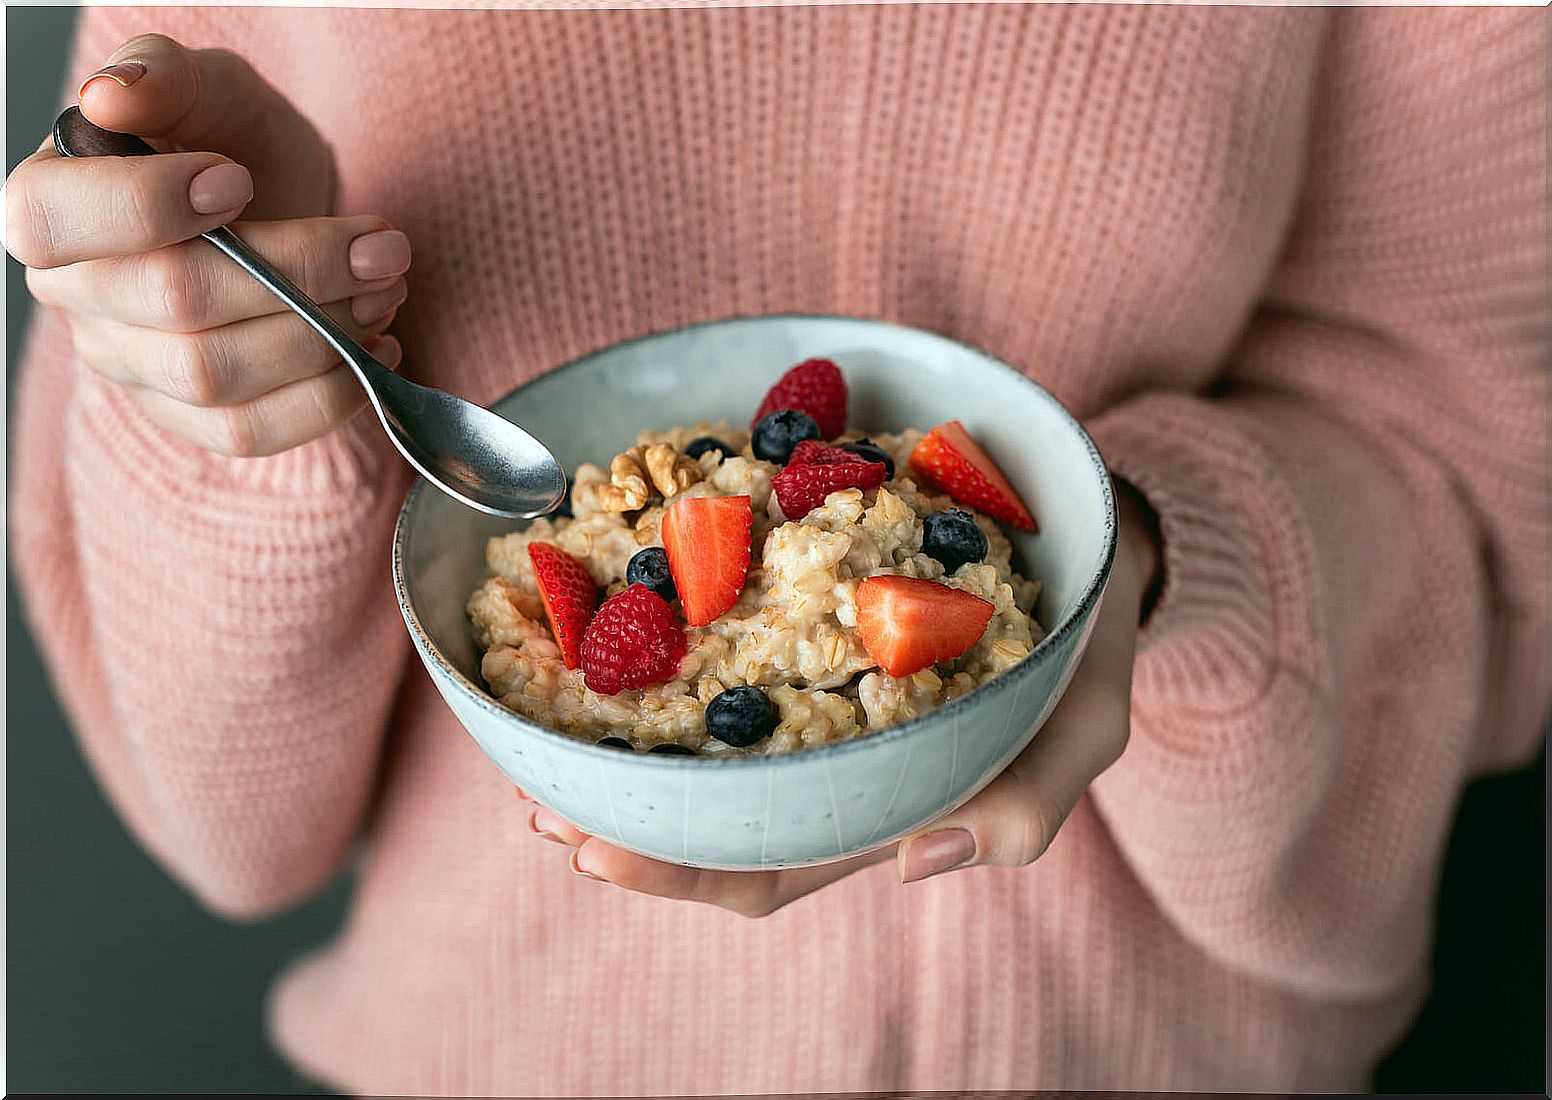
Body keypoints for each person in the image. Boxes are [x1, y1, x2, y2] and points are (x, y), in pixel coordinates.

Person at [6, 5, 1546, 1095]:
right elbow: (232, 838)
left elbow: (1468, 486)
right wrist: (266, 414)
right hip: (513, 1053)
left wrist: (1151, 550)